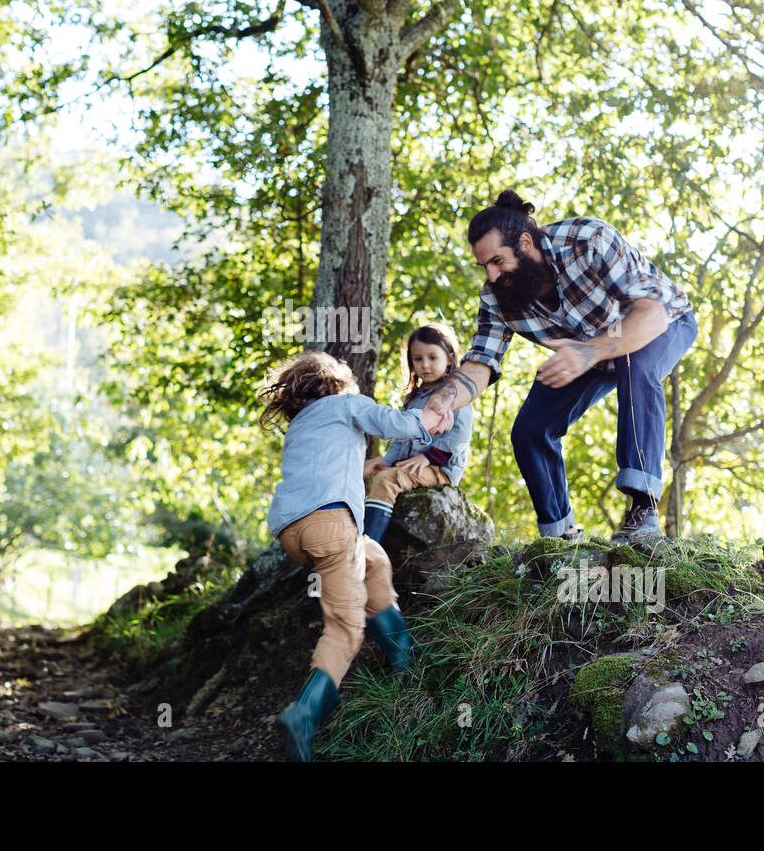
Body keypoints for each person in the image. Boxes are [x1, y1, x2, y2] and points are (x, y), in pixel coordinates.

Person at [423, 189, 697, 545]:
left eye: (498, 261)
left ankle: (642, 510)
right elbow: (480, 364)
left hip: (658, 323)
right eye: (484, 266)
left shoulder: (588, 241)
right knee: (530, 428)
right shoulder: (497, 298)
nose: (491, 276)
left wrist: (590, 352)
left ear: (525, 242)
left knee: (635, 361)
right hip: (587, 348)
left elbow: (652, 314)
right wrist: (445, 398)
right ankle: (560, 538)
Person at [260, 351, 444, 761]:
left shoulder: (302, 425)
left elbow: (323, 467)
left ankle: (403, 655)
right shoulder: (346, 404)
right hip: (331, 525)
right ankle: (303, 714)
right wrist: (430, 418)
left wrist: (367, 467)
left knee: (373, 558)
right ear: (337, 383)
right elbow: (395, 421)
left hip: (294, 530)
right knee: (346, 627)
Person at [362, 322, 474, 544]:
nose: (425, 365)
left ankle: (368, 546)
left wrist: (427, 457)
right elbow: (401, 437)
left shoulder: (453, 394)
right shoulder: (413, 399)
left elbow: (459, 436)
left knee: (386, 481)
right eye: (418, 359)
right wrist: (388, 461)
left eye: (433, 357)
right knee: (381, 479)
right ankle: (363, 537)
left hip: (440, 468)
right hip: (413, 466)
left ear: (449, 358)